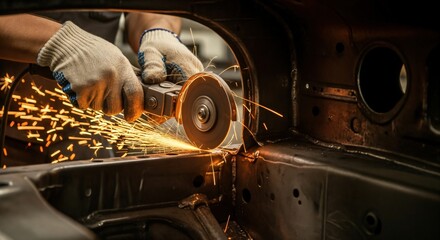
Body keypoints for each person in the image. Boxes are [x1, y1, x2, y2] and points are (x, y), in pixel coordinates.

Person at [0, 12, 204, 165]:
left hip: (86, 130)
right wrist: (59, 43)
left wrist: (158, 30)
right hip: (6, 136)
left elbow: (144, 9)